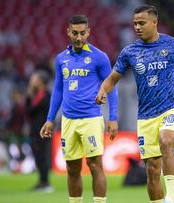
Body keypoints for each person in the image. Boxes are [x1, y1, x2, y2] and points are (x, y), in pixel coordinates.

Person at [96, 5, 174, 203]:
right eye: (135, 23)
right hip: (145, 116)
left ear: (154, 23)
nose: (137, 27)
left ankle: (171, 198)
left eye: (141, 23)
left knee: (167, 141)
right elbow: (112, 78)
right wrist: (102, 90)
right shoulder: (129, 52)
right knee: (152, 170)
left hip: (172, 107)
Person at [40, 15, 118, 203]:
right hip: (68, 121)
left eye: (82, 33)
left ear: (88, 32)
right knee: (72, 167)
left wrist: (113, 117)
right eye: (75, 33)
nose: (79, 37)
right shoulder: (61, 59)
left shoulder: (99, 57)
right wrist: (50, 119)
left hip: (91, 119)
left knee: (95, 165)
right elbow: (58, 89)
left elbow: (111, 88)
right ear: (68, 32)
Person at [26, 71, 52, 192]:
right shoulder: (36, 96)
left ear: (41, 81)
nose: (32, 81)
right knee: (38, 157)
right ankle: (41, 181)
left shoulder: (46, 95)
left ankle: (45, 182)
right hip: (34, 130)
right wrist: (29, 96)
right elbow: (28, 111)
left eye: (34, 79)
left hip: (43, 130)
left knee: (43, 156)